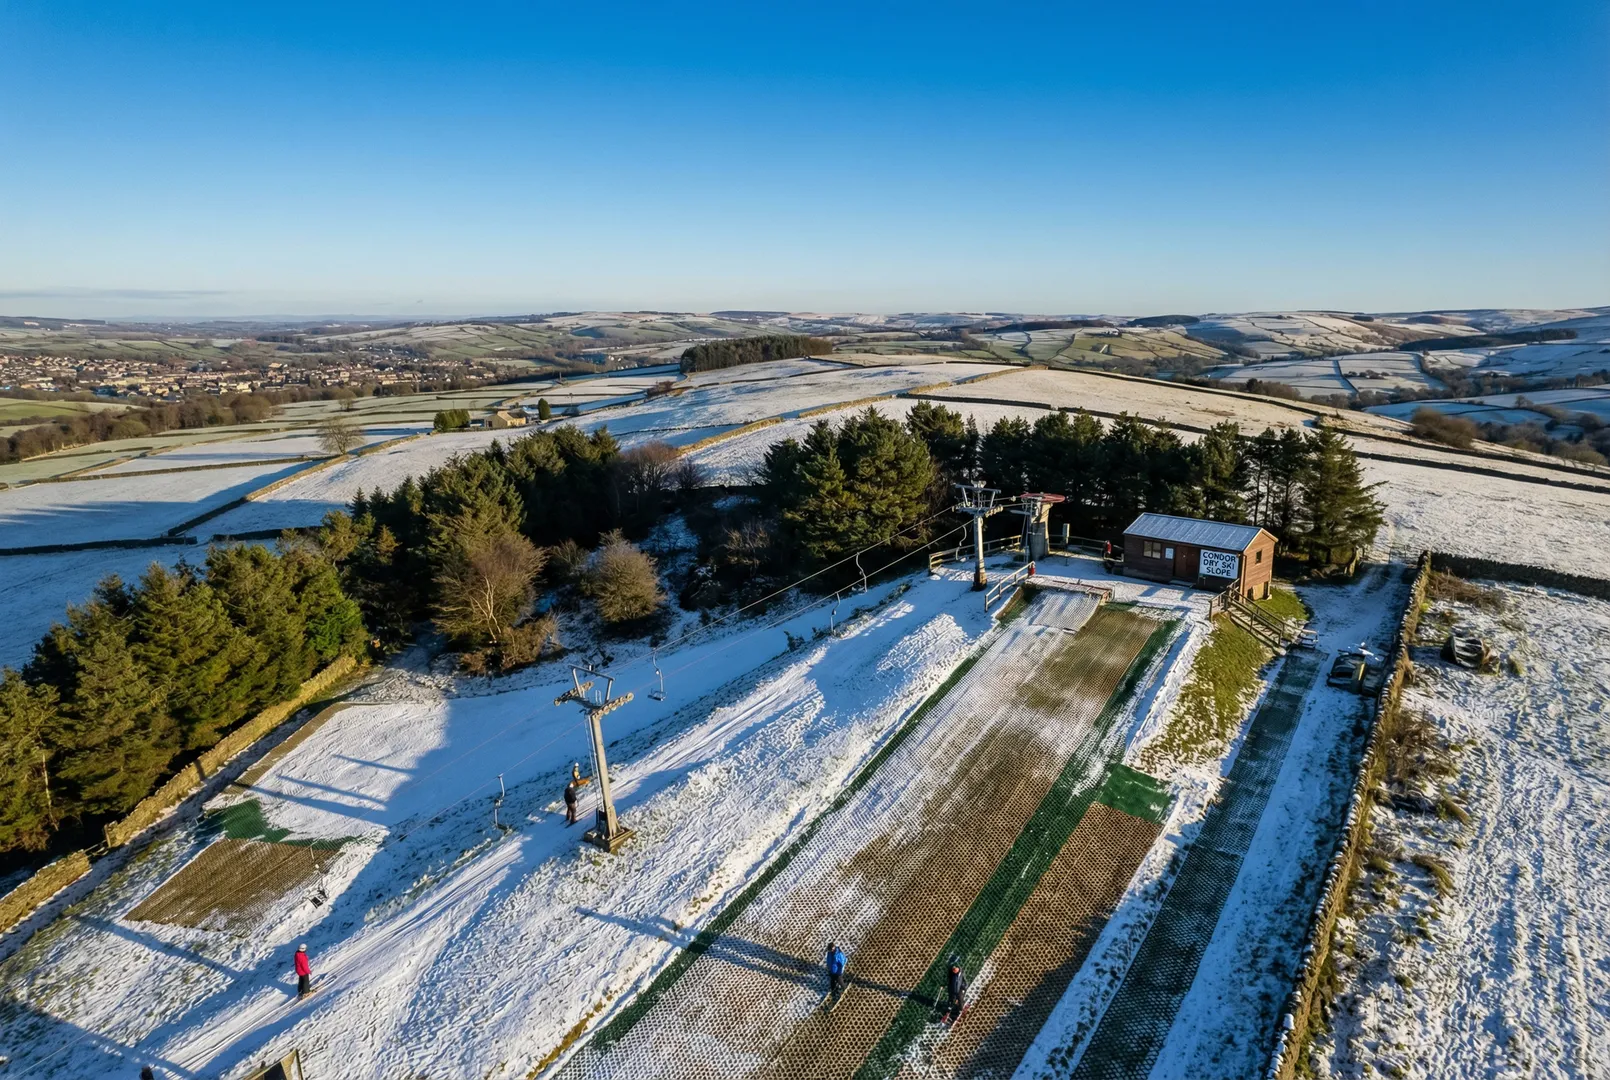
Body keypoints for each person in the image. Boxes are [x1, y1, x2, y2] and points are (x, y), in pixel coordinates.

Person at [945, 955, 966, 1021]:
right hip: (952, 989)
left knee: (960, 998)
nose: (954, 969)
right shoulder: (951, 973)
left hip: (959, 989)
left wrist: (963, 988)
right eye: (953, 968)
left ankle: (960, 1009)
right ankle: (949, 1009)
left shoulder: (961, 974)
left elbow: (965, 982)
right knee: (951, 998)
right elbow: (948, 980)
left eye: (955, 968)